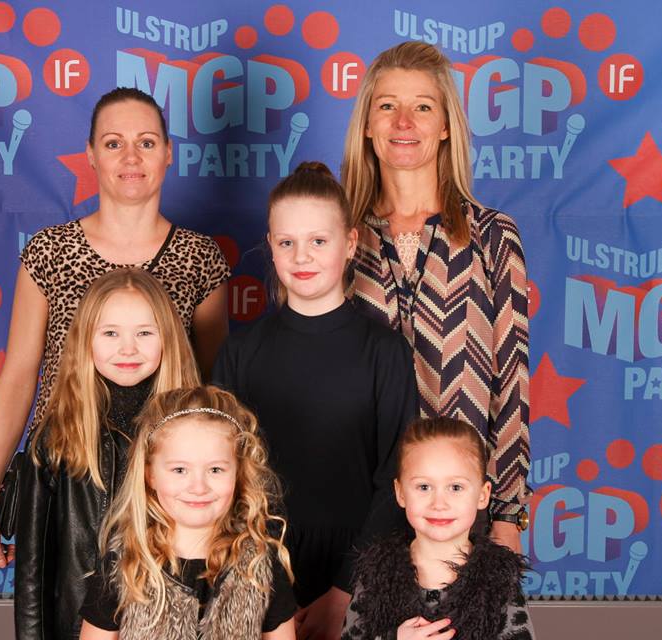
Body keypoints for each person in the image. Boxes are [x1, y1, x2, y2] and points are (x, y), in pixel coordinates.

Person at [0, 87, 231, 570]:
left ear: (168, 152)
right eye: (114, 143)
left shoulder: (200, 258)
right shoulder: (49, 251)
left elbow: (213, 388)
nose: (131, 157)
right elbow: (19, 374)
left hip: (166, 486)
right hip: (67, 476)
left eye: (146, 142)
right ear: (91, 155)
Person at [214, 162, 418, 639]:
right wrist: (262, 589)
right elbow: (222, 473)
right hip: (258, 569)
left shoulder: (385, 351)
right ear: (270, 245)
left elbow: (396, 476)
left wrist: (347, 591)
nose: (301, 256)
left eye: (319, 241)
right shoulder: (240, 352)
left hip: (360, 567)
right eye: (287, 242)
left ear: (350, 243)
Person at [342, 41, 531, 552]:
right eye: (387, 105)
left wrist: (507, 514)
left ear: (446, 125)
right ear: (367, 125)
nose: (404, 122)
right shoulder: (337, 237)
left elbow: (511, 383)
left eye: (422, 107)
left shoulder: (492, 235)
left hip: (458, 506)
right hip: (359, 502)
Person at [15, 268, 200, 640]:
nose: (127, 348)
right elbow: (32, 572)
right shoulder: (55, 437)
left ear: (168, 338)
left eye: (144, 333)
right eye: (110, 333)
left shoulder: (198, 432)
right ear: (86, 340)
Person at [78, 385, 296, 639]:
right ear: (150, 475)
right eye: (180, 470)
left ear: (238, 473)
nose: (198, 487)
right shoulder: (123, 564)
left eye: (215, 470)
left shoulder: (261, 564)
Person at [341, 417, 535, 640]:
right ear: (400, 492)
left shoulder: (498, 580)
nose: (439, 504)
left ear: (483, 495)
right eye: (424, 487)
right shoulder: (376, 575)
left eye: (455, 487)